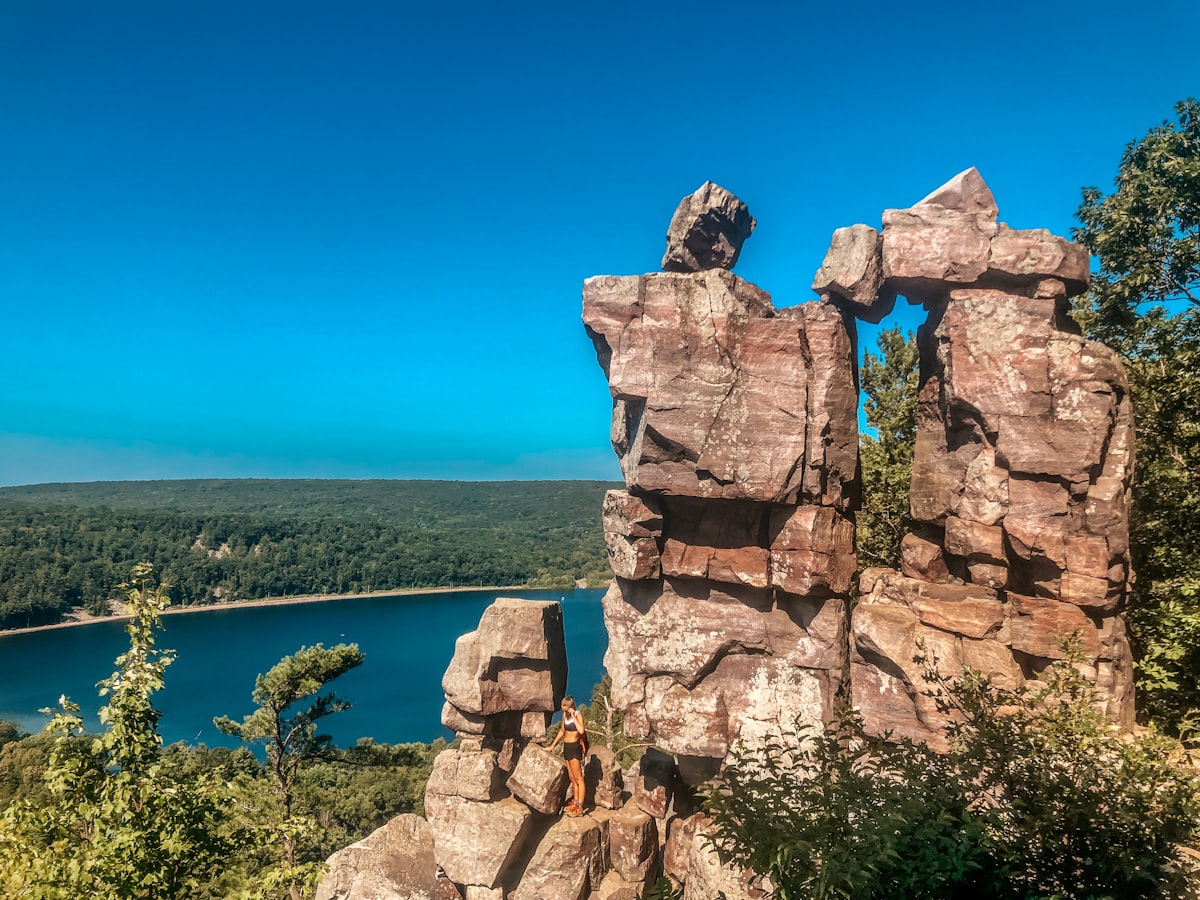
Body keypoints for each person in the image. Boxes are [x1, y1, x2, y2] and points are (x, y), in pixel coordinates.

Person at [547, 694, 587, 816]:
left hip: (574, 747)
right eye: (562, 705)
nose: (562, 707)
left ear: (570, 706)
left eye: (564, 706)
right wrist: (553, 745)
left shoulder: (577, 715)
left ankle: (580, 807)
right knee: (572, 777)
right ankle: (575, 802)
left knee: (579, 778)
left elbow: (581, 731)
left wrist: (573, 716)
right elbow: (562, 731)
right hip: (567, 747)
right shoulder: (565, 715)